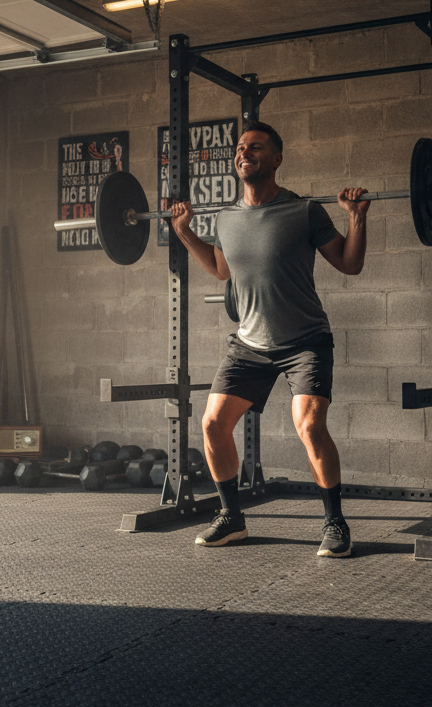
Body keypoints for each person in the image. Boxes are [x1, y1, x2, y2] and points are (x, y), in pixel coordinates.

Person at [168, 120, 368, 557]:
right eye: (240, 148)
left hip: (305, 342)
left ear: (276, 159)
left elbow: (350, 265)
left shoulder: (305, 211)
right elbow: (222, 270)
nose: (244, 153)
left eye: (255, 147)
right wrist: (184, 231)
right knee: (213, 425)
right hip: (249, 344)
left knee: (310, 426)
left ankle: (335, 523)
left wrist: (355, 219)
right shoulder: (225, 218)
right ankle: (232, 518)